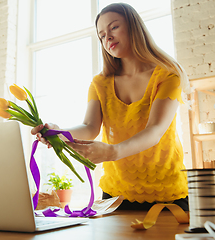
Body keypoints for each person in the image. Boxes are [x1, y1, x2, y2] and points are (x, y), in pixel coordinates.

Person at [32, 3, 190, 211]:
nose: (107, 38)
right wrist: (60, 133)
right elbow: (90, 127)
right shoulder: (100, 83)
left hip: (168, 194)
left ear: (134, 27)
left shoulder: (168, 75)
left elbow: (155, 130)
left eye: (114, 27)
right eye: (101, 35)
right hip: (116, 195)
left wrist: (112, 152)